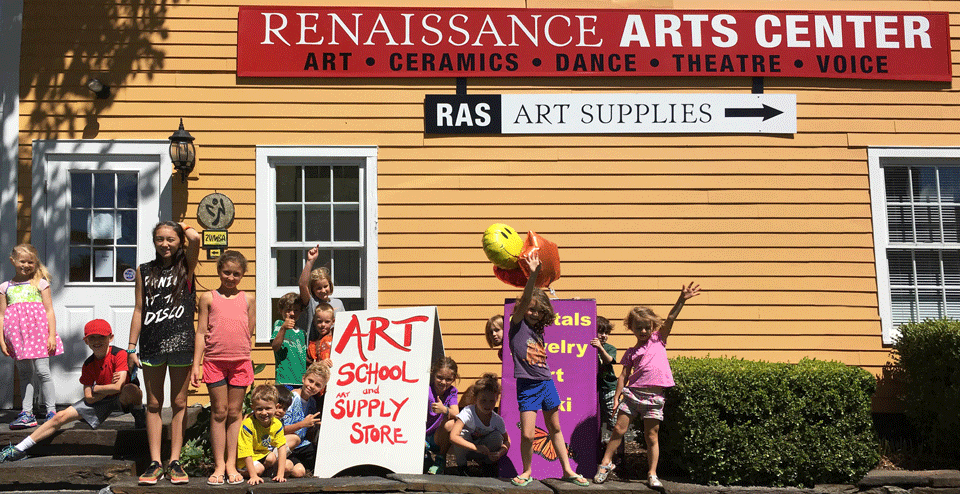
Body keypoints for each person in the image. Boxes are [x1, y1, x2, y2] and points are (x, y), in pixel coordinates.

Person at [594, 282, 701, 488]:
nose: (643, 330)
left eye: (647, 327)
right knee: (618, 429)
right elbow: (623, 375)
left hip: (654, 397)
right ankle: (605, 463)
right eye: (638, 327)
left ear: (653, 327)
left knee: (651, 435)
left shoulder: (658, 340)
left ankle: (652, 473)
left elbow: (671, 318)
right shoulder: (631, 352)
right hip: (632, 395)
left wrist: (682, 299)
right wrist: (616, 397)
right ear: (631, 328)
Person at [0, 319, 143, 462]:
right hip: (102, 400)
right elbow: (89, 397)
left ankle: (138, 411)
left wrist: (96, 388)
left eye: (101, 337)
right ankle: (19, 448)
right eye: (92, 337)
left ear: (110, 338)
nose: (97, 341)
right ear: (86, 341)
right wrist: (102, 389)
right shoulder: (88, 364)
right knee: (60, 416)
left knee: (131, 389)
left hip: (123, 397)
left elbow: (118, 387)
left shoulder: (119, 354)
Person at [127, 221, 200, 485]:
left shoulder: (186, 267)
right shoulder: (144, 270)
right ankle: (156, 462)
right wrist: (131, 346)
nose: (165, 244)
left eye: (171, 239)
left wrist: (181, 226)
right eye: (160, 239)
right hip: (152, 344)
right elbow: (139, 309)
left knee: (179, 403)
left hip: (182, 344)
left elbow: (196, 238)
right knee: (154, 404)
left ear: (179, 241)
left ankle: (175, 461)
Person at [508, 252, 589, 487]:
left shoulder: (538, 330)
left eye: (538, 310)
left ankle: (567, 470)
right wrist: (533, 276)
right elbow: (526, 300)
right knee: (528, 434)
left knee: (555, 427)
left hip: (546, 383)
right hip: (527, 385)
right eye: (530, 309)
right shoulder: (517, 325)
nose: (534, 313)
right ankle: (527, 471)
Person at [191, 250, 256, 486]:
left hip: (240, 362)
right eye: (226, 272)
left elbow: (249, 330)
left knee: (235, 412)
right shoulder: (208, 298)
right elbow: (201, 332)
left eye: (236, 274)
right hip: (214, 362)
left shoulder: (248, 299)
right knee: (219, 412)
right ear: (219, 271)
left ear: (243, 275)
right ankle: (219, 464)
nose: (230, 277)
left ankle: (231, 463)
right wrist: (196, 364)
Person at [0, 244, 63, 429]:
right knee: (25, 374)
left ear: (35, 263)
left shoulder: (40, 283)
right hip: (17, 337)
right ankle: (27, 413)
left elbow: (49, 311)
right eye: (22, 261)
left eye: (30, 262)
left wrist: (51, 336)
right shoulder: (5, 287)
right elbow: (2, 315)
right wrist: (2, 340)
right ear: (13, 261)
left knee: (43, 372)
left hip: (39, 335)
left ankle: (51, 412)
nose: (26, 265)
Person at [449, 372, 510, 477]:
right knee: (462, 434)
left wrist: (500, 453)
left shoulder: (497, 420)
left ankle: (487, 466)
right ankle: (462, 467)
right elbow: (453, 436)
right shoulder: (468, 412)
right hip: (468, 449)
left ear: (496, 399)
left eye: (492, 401)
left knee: (497, 436)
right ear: (475, 398)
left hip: (484, 452)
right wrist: (476, 447)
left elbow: (507, 440)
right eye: (483, 400)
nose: (487, 405)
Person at [298, 246, 345, 363]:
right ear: (312, 290)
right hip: (315, 355)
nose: (323, 290)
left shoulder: (338, 303)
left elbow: (345, 329)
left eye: (325, 286)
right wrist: (310, 261)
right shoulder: (311, 303)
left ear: (330, 285)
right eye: (318, 288)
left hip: (335, 355)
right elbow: (302, 285)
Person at [237, 383, 292, 484]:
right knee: (258, 469)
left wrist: (280, 474)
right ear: (253, 407)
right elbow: (246, 452)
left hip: (260, 454)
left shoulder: (277, 424)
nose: (263, 412)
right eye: (259, 409)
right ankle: (241, 472)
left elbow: (281, 447)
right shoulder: (248, 425)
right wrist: (253, 476)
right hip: (244, 459)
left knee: (273, 458)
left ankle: (264, 472)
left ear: (276, 407)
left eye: (268, 408)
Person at [280, 362, 329, 472]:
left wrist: (313, 426)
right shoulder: (291, 399)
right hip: (285, 442)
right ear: (303, 379)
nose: (312, 386)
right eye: (310, 381)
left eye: (317, 385)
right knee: (299, 468)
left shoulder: (312, 402)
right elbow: (279, 430)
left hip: (300, 445)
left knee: (317, 457)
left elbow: (308, 433)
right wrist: (302, 424)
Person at [425, 356, 459, 474]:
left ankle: (440, 459)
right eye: (439, 377)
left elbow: (456, 413)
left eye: (448, 379)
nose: (443, 382)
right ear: (433, 374)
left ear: (454, 379)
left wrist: (444, 409)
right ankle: (426, 456)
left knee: (451, 423)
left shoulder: (452, 392)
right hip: (421, 435)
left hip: (437, 437)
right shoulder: (426, 389)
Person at [271, 293, 308, 390]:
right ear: (281, 310)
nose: (292, 313)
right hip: (284, 380)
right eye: (288, 310)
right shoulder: (279, 325)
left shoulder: (302, 333)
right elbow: (275, 346)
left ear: (300, 312)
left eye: (296, 310)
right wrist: (283, 328)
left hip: (301, 381)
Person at [591, 316, 618, 439]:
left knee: (613, 420)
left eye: (606, 333)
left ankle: (619, 448)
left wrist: (600, 348)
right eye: (600, 332)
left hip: (608, 388)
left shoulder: (609, 348)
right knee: (596, 420)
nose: (604, 336)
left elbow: (608, 360)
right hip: (593, 390)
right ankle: (598, 446)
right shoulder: (587, 347)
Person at [273, 387, 307, 478]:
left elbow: (281, 444)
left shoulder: (279, 421)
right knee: (287, 466)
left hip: (278, 450)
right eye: (278, 407)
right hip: (266, 453)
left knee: (299, 471)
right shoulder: (263, 419)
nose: (280, 411)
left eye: (284, 409)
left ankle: (277, 469)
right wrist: (302, 424)